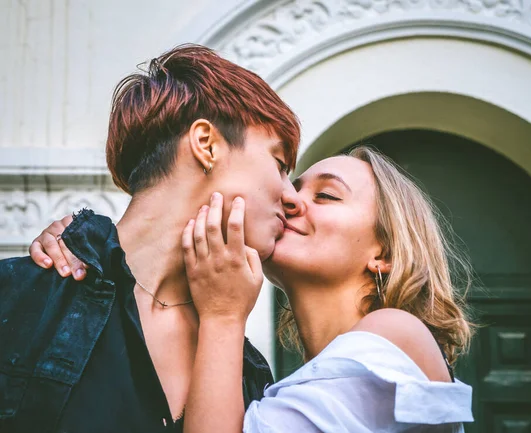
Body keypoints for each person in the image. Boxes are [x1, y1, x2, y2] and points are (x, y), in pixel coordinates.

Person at [32, 147, 475, 432]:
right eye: (292, 185)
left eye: (327, 197)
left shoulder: (394, 332)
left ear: (385, 254)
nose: (290, 199)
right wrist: (86, 241)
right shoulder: (268, 381)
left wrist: (223, 316)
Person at [0, 43, 303, 433]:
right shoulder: (19, 298)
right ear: (206, 144)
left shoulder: (251, 376)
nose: (292, 196)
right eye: (279, 164)